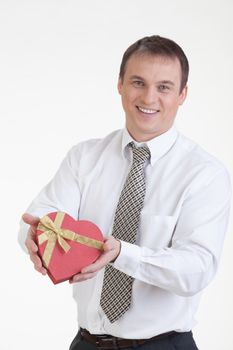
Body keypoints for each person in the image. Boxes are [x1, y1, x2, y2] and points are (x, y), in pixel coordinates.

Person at [18, 35, 231, 350]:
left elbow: (196, 269)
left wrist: (122, 254)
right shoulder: (84, 158)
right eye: (138, 82)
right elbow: (44, 215)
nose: (148, 97)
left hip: (163, 345)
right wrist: (36, 237)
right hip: (86, 343)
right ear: (119, 84)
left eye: (164, 87)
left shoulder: (205, 174)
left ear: (182, 94)